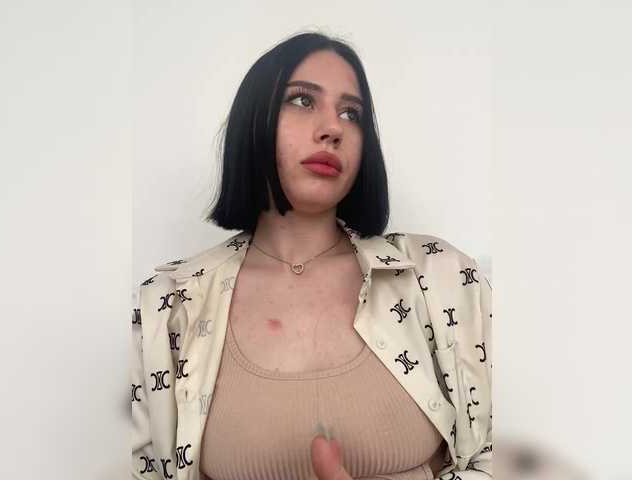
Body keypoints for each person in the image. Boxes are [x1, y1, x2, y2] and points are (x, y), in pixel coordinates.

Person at [131, 31, 492, 480]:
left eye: (351, 113)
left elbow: (500, 454)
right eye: (302, 100)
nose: (333, 128)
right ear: (253, 120)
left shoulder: (443, 277)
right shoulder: (166, 307)